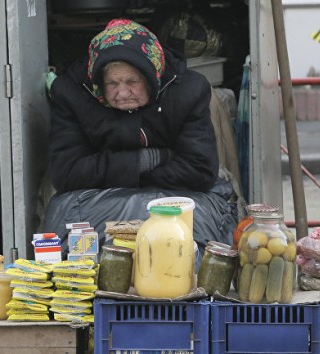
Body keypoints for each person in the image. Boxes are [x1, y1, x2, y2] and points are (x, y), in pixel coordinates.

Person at [43, 18, 237, 260]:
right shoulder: (72, 93)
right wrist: (147, 160)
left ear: (152, 76)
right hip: (104, 201)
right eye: (112, 83)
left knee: (197, 235)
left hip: (170, 200)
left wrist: (112, 171)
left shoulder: (188, 90)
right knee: (66, 218)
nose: (122, 93)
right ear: (98, 81)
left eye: (132, 82)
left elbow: (199, 170)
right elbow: (67, 172)